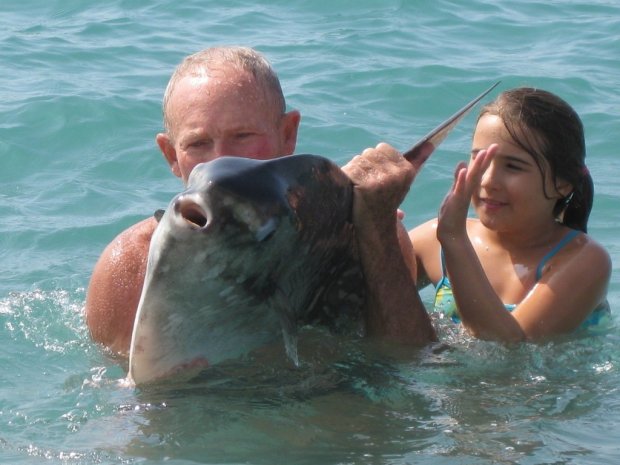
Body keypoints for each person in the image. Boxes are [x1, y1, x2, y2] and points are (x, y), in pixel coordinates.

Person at [84, 46, 436, 356]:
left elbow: (403, 363)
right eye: (197, 144)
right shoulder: (127, 270)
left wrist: (376, 229)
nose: (218, 161)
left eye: (242, 136)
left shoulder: (371, 238)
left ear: (288, 133)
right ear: (170, 154)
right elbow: (136, 405)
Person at [409, 87, 611, 342]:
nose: (489, 180)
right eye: (479, 160)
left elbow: (509, 350)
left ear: (562, 183)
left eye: (513, 166)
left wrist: (453, 239)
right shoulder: (432, 241)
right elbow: (362, 297)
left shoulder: (584, 260)